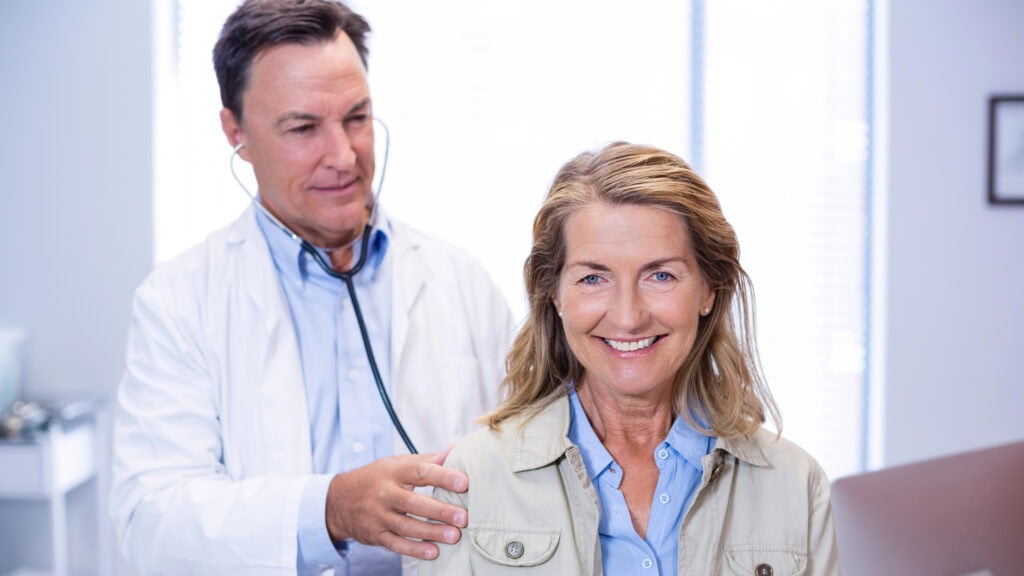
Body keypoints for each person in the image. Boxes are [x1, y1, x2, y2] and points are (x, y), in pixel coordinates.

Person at [109, 1, 514, 574]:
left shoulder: (461, 281)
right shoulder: (179, 302)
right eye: (303, 128)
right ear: (237, 133)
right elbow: (152, 522)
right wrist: (330, 510)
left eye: (356, 117)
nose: (345, 156)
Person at [423, 142, 840, 575]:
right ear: (554, 294)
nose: (628, 317)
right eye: (592, 278)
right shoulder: (473, 479)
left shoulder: (796, 485)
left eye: (660, 275)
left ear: (708, 290)